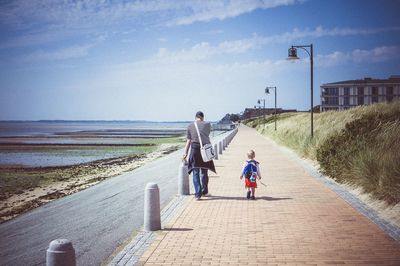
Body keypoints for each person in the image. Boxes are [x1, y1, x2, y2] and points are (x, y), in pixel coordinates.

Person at [183, 111, 216, 200]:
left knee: (195, 172)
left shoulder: (190, 126)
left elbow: (188, 141)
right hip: (205, 149)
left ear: (195, 117)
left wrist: (185, 153)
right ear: (203, 117)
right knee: (204, 172)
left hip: (194, 149)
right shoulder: (208, 124)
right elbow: (207, 134)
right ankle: (204, 191)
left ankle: (198, 194)